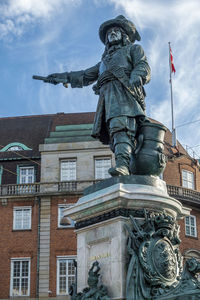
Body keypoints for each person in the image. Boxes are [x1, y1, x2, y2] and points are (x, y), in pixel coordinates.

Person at [47, 15, 151, 176]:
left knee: (121, 127)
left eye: (116, 31)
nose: (112, 33)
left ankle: (124, 165)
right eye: (109, 32)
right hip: (108, 99)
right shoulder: (103, 62)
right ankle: (126, 164)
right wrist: (61, 77)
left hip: (125, 94)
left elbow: (143, 65)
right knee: (115, 131)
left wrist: (137, 76)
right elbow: (84, 75)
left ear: (124, 35)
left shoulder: (133, 49)